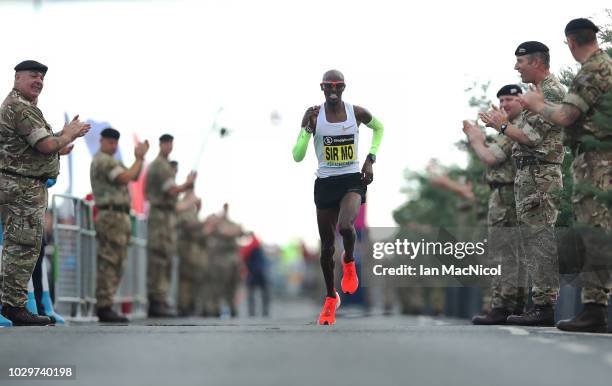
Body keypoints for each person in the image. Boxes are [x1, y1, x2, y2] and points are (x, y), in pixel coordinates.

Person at [520, 18, 612, 333]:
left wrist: (538, 104)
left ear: (570, 42)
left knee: (594, 231)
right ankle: (595, 309)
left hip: (597, 161)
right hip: (599, 158)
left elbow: (564, 115)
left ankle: (595, 310)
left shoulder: (592, 71)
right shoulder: (606, 66)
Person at [480, 42, 566, 326]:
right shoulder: (536, 93)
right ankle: (535, 305)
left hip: (541, 176)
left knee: (540, 241)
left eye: (521, 61)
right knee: (532, 242)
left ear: (537, 62)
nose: (516, 67)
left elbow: (531, 138)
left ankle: (544, 308)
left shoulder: (550, 91)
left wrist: (501, 126)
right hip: (530, 176)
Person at [0, 60, 90, 326]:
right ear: (17, 78)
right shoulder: (20, 108)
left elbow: (35, 147)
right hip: (21, 190)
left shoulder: (25, 108)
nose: (38, 81)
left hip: (25, 187)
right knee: (21, 247)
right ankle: (14, 306)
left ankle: (14, 304)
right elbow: (46, 144)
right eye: (33, 76)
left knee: (23, 247)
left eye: (41, 78)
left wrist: (64, 138)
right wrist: (66, 136)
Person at [293, 69, 384, 325]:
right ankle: (331, 297)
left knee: (345, 226)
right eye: (328, 86)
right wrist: (307, 130)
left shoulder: (357, 113)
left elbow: (379, 128)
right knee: (326, 248)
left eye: (338, 86)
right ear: (321, 87)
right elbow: (298, 155)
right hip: (325, 183)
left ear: (344, 87)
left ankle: (349, 261)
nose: (333, 90)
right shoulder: (313, 114)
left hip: (351, 179)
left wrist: (370, 159)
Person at [465, 85, 527, 324]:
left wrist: (475, 139)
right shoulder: (509, 128)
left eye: (510, 99)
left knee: (505, 253)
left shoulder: (515, 127)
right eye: (501, 100)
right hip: (503, 193)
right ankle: (511, 306)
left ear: (522, 101)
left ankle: (503, 306)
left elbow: (490, 157)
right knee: (510, 253)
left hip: (508, 194)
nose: (504, 104)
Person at [90, 127, 149, 322]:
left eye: (115, 143)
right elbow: (126, 177)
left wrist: (139, 159)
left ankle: (107, 303)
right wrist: (139, 158)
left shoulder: (113, 160)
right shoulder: (103, 160)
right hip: (110, 216)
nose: (113, 146)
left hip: (120, 216)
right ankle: (104, 305)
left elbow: (133, 175)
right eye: (110, 142)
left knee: (118, 261)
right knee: (109, 261)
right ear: (102, 141)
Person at [145, 134, 196, 317]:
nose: (169, 147)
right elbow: (172, 190)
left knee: (165, 259)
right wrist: (187, 185)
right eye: (166, 143)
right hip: (160, 217)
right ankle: (156, 300)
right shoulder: (160, 166)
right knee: (159, 259)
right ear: (160, 145)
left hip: (166, 217)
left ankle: (161, 299)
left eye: (171, 144)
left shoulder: (164, 165)